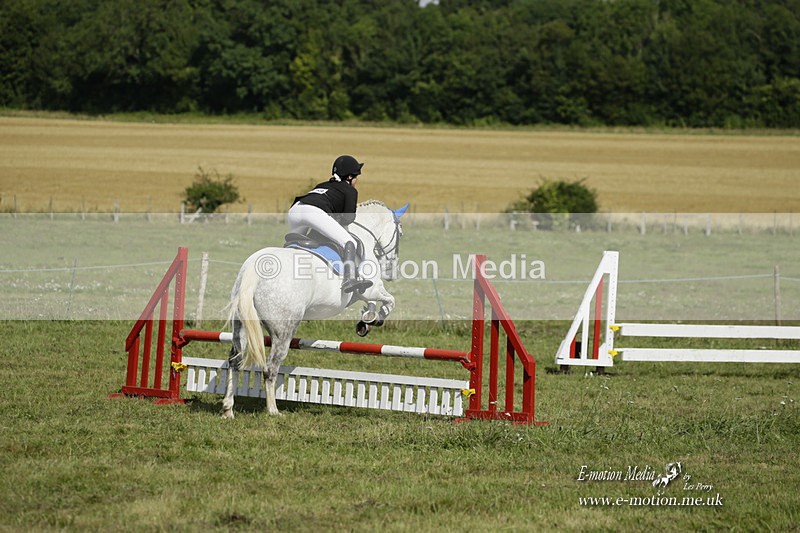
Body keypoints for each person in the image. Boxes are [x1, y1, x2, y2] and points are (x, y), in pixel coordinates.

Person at [288, 155, 373, 294]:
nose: (357, 180)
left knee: (295, 246)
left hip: (295, 211)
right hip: (313, 212)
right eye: (356, 176)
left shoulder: (322, 185)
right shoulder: (350, 190)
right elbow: (348, 218)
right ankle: (350, 278)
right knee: (349, 242)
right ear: (350, 177)